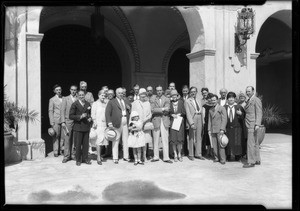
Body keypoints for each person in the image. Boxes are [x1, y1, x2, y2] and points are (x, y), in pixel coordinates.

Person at [105, 87, 130, 164]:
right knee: (116, 140)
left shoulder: (126, 100)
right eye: (119, 93)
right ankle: (115, 157)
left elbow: (130, 109)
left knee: (126, 140)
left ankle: (126, 156)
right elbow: (107, 113)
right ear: (116, 93)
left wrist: (129, 107)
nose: (121, 94)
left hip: (125, 121)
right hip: (116, 123)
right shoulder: (112, 102)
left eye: (122, 93)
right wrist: (109, 123)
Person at [69, 90, 92, 166]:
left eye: (83, 95)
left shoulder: (88, 104)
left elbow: (89, 114)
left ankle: (85, 158)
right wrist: (80, 116)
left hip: (86, 126)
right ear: (77, 95)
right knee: (78, 144)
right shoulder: (74, 104)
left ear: (85, 95)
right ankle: (78, 159)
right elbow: (71, 116)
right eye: (80, 95)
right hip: (78, 127)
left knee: (86, 144)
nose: (82, 96)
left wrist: (89, 118)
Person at [151, 85, 173, 163]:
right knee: (155, 139)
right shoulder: (153, 99)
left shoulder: (166, 99)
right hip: (156, 120)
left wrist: (159, 110)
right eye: (157, 90)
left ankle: (166, 157)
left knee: (165, 139)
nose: (159, 92)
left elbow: (168, 109)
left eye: (160, 90)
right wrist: (163, 109)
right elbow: (153, 110)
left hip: (165, 120)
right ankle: (156, 156)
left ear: (162, 91)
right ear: (156, 91)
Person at [243, 86, 263, 168]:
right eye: (246, 91)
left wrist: (257, 124)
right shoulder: (249, 100)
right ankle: (257, 159)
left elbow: (259, 112)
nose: (247, 93)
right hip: (249, 123)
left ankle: (251, 162)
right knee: (255, 143)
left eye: (249, 91)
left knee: (250, 143)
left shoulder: (256, 100)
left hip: (252, 124)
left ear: (253, 91)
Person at [131, 88, 152, 162]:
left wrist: (145, 120)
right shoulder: (135, 103)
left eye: (144, 96)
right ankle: (137, 157)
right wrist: (135, 124)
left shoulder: (148, 103)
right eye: (142, 96)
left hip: (145, 124)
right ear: (139, 95)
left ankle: (145, 156)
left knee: (145, 141)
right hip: (138, 125)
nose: (143, 98)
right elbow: (132, 114)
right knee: (138, 141)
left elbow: (150, 114)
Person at [184, 86, 205, 160]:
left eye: (194, 91)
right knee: (191, 137)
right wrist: (191, 123)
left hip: (199, 117)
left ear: (196, 92)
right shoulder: (187, 101)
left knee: (199, 136)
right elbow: (188, 113)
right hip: (193, 118)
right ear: (190, 92)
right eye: (192, 91)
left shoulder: (199, 100)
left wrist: (203, 121)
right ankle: (191, 154)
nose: (193, 93)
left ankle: (198, 154)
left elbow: (202, 111)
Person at [224, 92, 245, 162]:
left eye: (232, 97)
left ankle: (237, 156)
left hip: (237, 128)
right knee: (228, 142)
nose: (231, 99)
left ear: (235, 99)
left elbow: (244, 116)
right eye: (229, 98)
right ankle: (228, 155)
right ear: (227, 99)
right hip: (228, 128)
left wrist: (241, 114)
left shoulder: (239, 107)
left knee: (237, 142)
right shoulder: (224, 107)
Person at [208, 94, 227, 164]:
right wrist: (209, 129)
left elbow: (224, 119)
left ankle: (222, 159)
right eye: (212, 100)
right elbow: (210, 120)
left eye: (214, 100)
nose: (213, 101)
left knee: (221, 145)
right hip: (213, 129)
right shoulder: (210, 109)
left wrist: (222, 128)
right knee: (214, 145)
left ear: (217, 100)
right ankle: (216, 157)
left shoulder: (222, 108)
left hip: (219, 129)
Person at [60, 85, 77, 163]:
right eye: (72, 90)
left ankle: (73, 155)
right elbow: (62, 111)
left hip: (76, 122)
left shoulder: (78, 99)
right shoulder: (65, 99)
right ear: (70, 90)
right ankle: (66, 156)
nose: (73, 91)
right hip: (68, 121)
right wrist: (63, 121)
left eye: (75, 90)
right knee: (67, 139)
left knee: (74, 139)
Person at [91, 90, 108, 165]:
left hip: (104, 124)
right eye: (102, 95)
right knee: (99, 141)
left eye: (104, 95)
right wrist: (94, 122)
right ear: (98, 95)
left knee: (102, 142)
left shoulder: (105, 104)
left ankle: (100, 155)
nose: (103, 97)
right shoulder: (95, 104)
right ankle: (98, 157)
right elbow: (93, 114)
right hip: (97, 124)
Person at [169, 90, 186, 162]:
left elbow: (184, 112)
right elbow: (167, 112)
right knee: (173, 139)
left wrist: (180, 114)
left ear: (177, 96)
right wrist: (171, 114)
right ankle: (175, 154)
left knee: (179, 139)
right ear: (171, 97)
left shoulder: (181, 102)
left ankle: (179, 154)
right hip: (173, 122)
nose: (174, 97)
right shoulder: (169, 103)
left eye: (175, 95)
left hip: (179, 122)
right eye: (172, 96)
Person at [48, 84, 63, 157]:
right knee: (56, 136)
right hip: (56, 119)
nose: (58, 91)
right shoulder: (52, 99)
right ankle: (56, 151)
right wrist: (51, 122)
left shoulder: (64, 98)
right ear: (54, 91)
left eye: (59, 90)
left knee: (62, 136)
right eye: (57, 90)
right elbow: (50, 111)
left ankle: (61, 150)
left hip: (63, 119)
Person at [202, 92, 214, 159]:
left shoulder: (214, 105)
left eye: (211, 98)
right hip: (206, 123)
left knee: (212, 137)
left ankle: (212, 151)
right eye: (208, 98)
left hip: (213, 123)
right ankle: (208, 151)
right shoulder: (204, 106)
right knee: (207, 138)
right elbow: (203, 116)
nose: (210, 99)